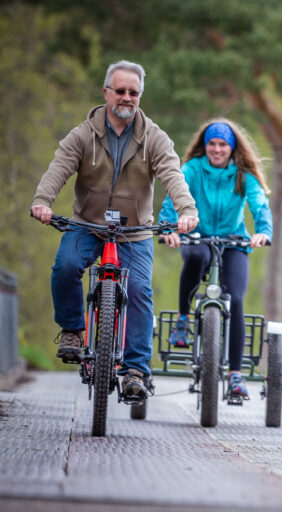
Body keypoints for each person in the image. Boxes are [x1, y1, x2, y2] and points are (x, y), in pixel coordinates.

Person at [30, 60, 199, 401]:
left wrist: (187, 210)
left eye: (133, 92)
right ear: (106, 92)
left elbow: (172, 174)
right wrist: (43, 200)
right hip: (86, 226)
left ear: (140, 96)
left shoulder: (155, 138)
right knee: (65, 267)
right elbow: (59, 167)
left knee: (138, 291)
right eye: (120, 91)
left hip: (135, 232)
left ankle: (135, 371)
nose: (126, 98)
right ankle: (73, 332)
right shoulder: (82, 135)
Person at [158, 119, 272, 401]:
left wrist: (263, 231)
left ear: (232, 148)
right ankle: (184, 320)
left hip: (233, 241)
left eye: (223, 144)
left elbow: (259, 202)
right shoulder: (193, 170)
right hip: (197, 237)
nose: (217, 149)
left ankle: (235, 375)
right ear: (204, 145)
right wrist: (169, 226)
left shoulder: (244, 175)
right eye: (212, 144)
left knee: (235, 298)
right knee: (196, 256)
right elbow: (175, 195)